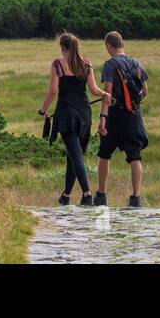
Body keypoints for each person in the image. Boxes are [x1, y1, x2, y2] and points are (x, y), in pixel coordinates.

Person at [38, 32, 110, 206]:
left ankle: (87, 195)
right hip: (84, 114)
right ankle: (66, 195)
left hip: (66, 114)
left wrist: (43, 110)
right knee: (74, 155)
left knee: (76, 156)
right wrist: (105, 94)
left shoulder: (57, 64)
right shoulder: (86, 64)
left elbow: (53, 90)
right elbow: (93, 89)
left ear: (63, 48)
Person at [94, 30, 149, 207]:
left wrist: (103, 117)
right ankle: (136, 198)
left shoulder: (110, 64)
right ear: (122, 44)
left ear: (109, 47)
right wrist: (133, 105)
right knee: (134, 156)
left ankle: (101, 195)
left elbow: (107, 94)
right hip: (134, 115)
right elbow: (145, 91)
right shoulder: (136, 62)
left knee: (104, 153)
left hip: (115, 114)